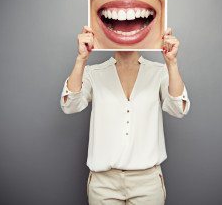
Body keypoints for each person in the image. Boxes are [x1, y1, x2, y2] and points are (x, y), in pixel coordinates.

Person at [60, 26, 191, 204]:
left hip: (147, 182)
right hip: (103, 183)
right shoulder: (93, 72)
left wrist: (172, 63)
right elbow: (70, 105)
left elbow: (178, 109)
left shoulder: (159, 71)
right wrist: (81, 59)